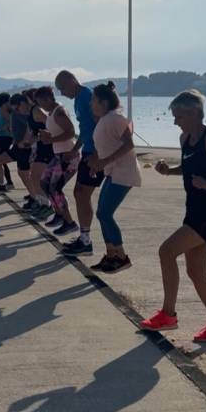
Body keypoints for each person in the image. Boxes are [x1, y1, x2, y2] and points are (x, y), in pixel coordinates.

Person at [142, 90, 206, 342]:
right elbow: (189, 169)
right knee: (196, 271)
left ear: (194, 114)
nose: (175, 121)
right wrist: (169, 171)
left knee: (166, 251)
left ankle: (168, 315)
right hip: (195, 209)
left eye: (178, 115)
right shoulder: (184, 138)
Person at [86, 82, 141, 273]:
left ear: (104, 102)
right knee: (102, 213)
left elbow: (129, 144)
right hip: (112, 172)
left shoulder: (115, 118)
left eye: (93, 100)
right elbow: (105, 145)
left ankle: (122, 256)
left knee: (105, 213)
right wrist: (97, 163)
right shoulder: (104, 119)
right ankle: (110, 256)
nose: (91, 103)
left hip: (124, 173)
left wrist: (104, 161)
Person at [54, 71, 104, 256]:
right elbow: (85, 130)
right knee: (79, 193)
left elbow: (99, 124)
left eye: (62, 88)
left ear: (71, 81)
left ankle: (85, 241)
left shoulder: (87, 97)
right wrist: (75, 150)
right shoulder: (78, 99)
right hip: (88, 151)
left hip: (96, 153)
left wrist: (99, 154)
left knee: (82, 194)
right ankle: (84, 238)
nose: (61, 93)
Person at [34, 86, 79, 236]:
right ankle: (59, 214)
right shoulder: (51, 113)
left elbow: (71, 132)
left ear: (48, 98)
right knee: (44, 183)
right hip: (58, 155)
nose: (40, 105)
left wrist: (51, 139)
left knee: (55, 188)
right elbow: (59, 131)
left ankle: (69, 223)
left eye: (40, 102)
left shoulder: (59, 111)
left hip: (68, 156)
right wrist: (47, 135)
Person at [26, 89, 55, 221]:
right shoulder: (33, 110)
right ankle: (43, 204)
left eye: (24, 98)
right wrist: (32, 140)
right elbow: (36, 130)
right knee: (34, 177)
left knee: (37, 178)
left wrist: (42, 136)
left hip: (46, 147)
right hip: (40, 146)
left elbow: (50, 125)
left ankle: (47, 206)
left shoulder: (37, 110)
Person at [0, 92, 15, 192]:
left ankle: (6, 182)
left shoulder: (4, 110)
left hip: (5, 138)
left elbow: (10, 122)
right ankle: (4, 181)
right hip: (0, 137)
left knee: (1, 160)